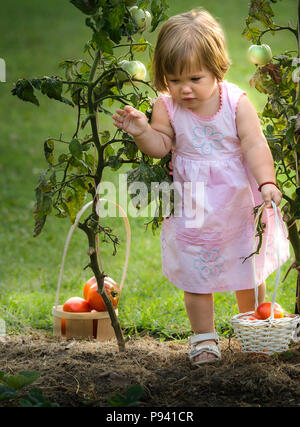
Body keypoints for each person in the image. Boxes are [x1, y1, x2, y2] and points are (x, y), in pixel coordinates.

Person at [112, 8, 290, 365]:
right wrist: (143, 131)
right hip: (193, 208)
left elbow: (256, 145)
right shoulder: (167, 106)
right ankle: (204, 338)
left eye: (195, 78)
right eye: (174, 80)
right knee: (196, 274)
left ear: (217, 68)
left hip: (239, 205)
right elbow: (161, 146)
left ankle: (253, 328)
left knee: (249, 267)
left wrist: (267, 182)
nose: (184, 88)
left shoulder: (236, 103)